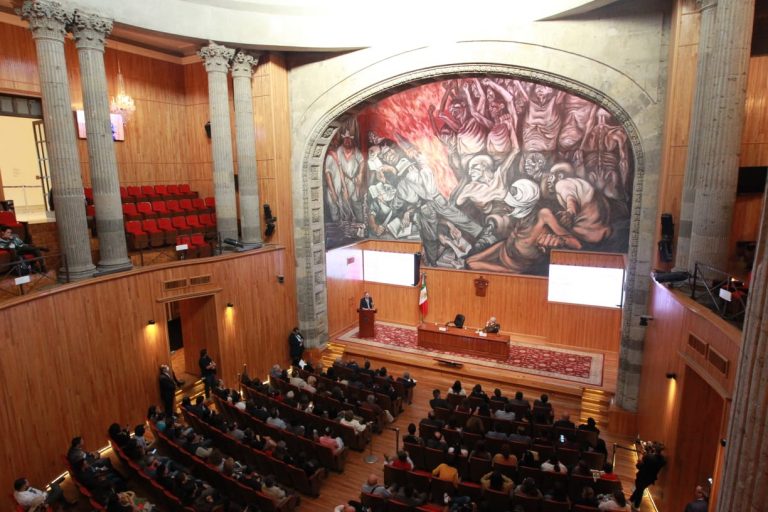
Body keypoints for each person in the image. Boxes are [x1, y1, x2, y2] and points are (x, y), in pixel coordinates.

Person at [629, 442, 667, 509]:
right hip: (651, 478)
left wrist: (642, 454)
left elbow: (639, 464)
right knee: (640, 488)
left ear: (654, 449)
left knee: (640, 490)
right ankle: (631, 500)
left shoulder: (648, 457)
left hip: (642, 476)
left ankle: (636, 506)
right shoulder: (663, 460)